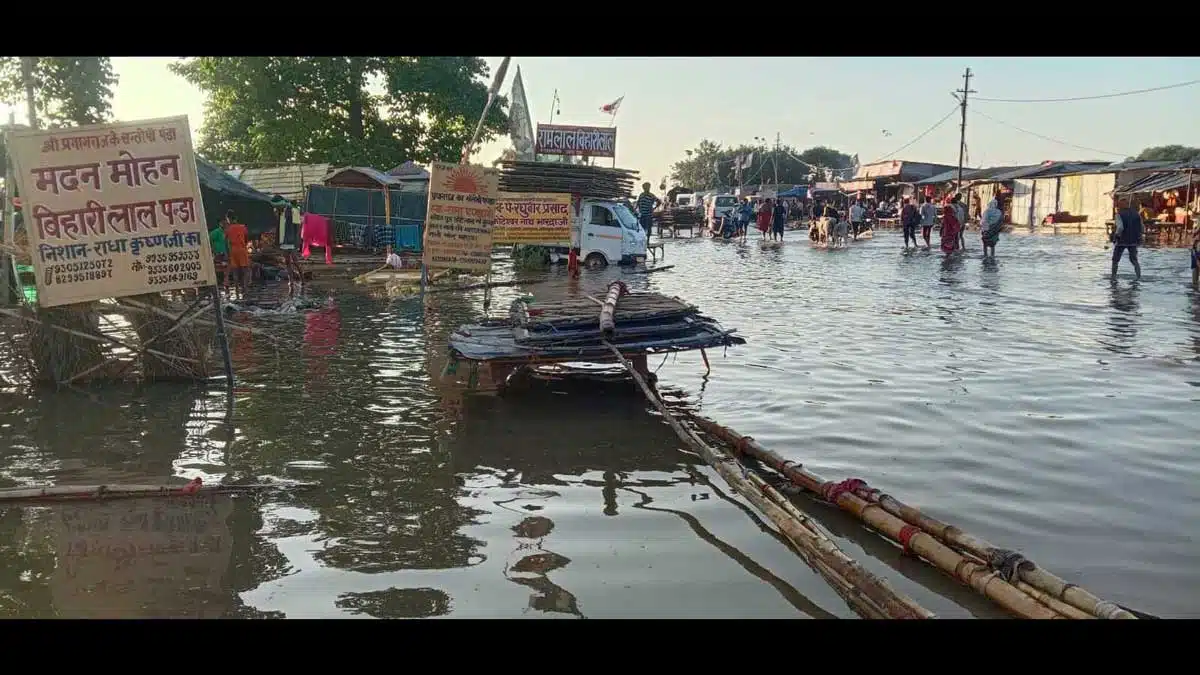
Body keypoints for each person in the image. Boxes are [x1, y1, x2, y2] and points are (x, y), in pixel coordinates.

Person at [1111, 197, 1143, 280]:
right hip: (1133, 240)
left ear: (1121, 205)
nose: (1118, 206)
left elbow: (1120, 228)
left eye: (1119, 205)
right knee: (1134, 260)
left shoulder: (1119, 214)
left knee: (1115, 260)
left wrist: (1116, 236)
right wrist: (1139, 237)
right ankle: (1138, 277)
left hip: (1122, 240)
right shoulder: (1136, 214)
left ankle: (1113, 277)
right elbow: (1142, 227)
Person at [223, 210, 250, 299]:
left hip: (233, 250)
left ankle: (237, 290)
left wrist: (227, 253)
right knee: (245, 271)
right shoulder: (243, 227)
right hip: (242, 249)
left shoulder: (228, 229)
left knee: (235, 271)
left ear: (228, 219)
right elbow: (246, 239)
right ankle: (245, 289)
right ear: (236, 218)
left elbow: (225, 242)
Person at [209, 221, 229, 288]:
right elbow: (210, 240)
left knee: (225, 267)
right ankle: (218, 281)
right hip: (218, 252)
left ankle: (225, 281)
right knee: (218, 267)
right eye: (224, 224)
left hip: (224, 252)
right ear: (221, 224)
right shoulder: (216, 232)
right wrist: (213, 250)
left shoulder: (225, 232)